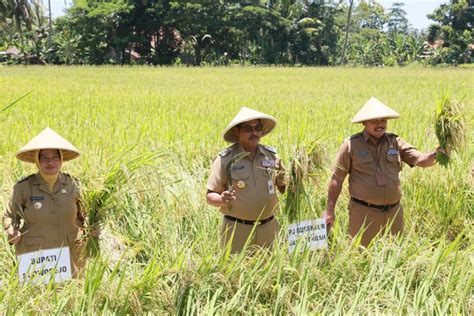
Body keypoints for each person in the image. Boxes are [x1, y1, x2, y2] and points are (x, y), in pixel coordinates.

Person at [323, 97, 445, 247]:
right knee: (361, 258)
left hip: (394, 213)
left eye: (383, 120)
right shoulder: (351, 145)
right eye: (375, 120)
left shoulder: (395, 142)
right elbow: (337, 179)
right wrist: (329, 211)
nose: (380, 124)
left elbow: (420, 159)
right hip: (364, 214)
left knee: (395, 258)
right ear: (364, 123)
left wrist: (437, 154)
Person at [3, 127, 88, 277]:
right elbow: (10, 215)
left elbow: (86, 214)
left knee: (72, 293)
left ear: (61, 159)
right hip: (37, 254)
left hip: (71, 251)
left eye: (55, 157)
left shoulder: (74, 185)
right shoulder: (23, 187)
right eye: (44, 158)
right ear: (37, 160)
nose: (50, 162)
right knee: (39, 296)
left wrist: (92, 229)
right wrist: (11, 230)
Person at [206, 107, 287, 253]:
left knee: (271, 272)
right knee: (236, 274)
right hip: (237, 230)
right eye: (248, 128)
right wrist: (222, 199)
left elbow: (283, 187)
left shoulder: (272, 156)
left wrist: (295, 178)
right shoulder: (225, 160)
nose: (254, 132)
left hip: (269, 228)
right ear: (237, 132)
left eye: (257, 128)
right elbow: (210, 196)